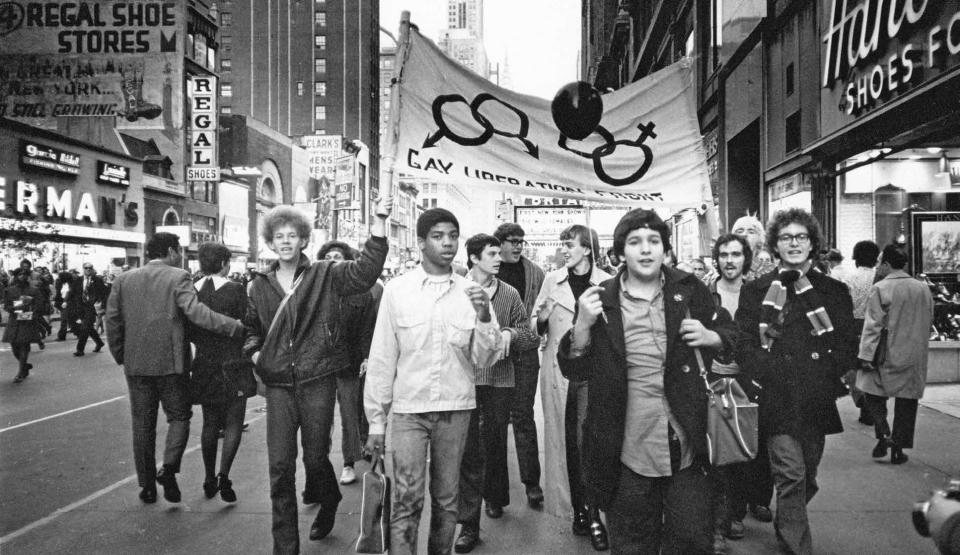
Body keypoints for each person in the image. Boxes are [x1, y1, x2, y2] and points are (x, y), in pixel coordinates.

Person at [557, 209, 738, 554]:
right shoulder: (600, 301)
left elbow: (731, 334)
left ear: (665, 249)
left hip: (687, 441)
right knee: (632, 544)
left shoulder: (689, 290)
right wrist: (581, 325)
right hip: (625, 447)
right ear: (620, 252)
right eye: (634, 242)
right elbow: (575, 372)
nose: (645, 249)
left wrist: (710, 336)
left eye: (654, 241)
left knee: (692, 541)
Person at [244, 197, 391, 554]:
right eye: (279, 235)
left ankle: (329, 498)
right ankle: (285, 547)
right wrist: (255, 352)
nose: (285, 241)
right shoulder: (259, 284)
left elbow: (365, 272)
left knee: (314, 458)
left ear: (303, 240)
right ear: (269, 241)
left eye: (292, 235)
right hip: (278, 384)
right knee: (280, 468)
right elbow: (251, 328)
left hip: (317, 378)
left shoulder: (324, 273)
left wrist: (379, 224)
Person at [365, 208, 504, 555]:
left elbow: (485, 359)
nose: (447, 243)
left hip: (456, 409)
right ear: (421, 242)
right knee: (406, 499)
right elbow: (383, 358)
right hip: (409, 410)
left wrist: (485, 317)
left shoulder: (473, 293)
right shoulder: (398, 290)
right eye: (438, 236)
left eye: (452, 236)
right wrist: (376, 424)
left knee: (447, 500)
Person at [735, 208, 858, 555]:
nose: (794, 243)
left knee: (808, 474)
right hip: (775, 396)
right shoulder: (757, 289)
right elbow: (744, 340)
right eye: (786, 237)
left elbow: (847, 340)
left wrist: (837, 374)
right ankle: (795, 545)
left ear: (812, 243)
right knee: (790, 474)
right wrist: (758, 371)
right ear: (775, 244)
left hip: (816, 396)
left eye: (801, 236)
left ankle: (788, 518)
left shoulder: (833, 290)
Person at [106, 232, 246, 505]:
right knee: (179, 417)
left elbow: (112, 320)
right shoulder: (178, 277)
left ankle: (147, 486)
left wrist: (121, 354)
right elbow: (197, 313)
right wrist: (233, 326)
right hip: (171, 363)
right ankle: (169, 467)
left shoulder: (123, 280)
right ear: (170, 251)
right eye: (178, 251)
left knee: (142, 425)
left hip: (136, 365)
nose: (180, 256)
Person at [455, 234, 538, 553]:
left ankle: (495, 496)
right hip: (465, 378)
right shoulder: (457, 290)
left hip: (501, 379)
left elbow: (529, 334)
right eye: (491, 253)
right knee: (468, 448)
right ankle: (468, 523)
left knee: (494, 440)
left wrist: (509, 333)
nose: (498, 258)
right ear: (474, 258)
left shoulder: (509, 293)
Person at [531, 224, 611, 550]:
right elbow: (535, 329)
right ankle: (581, 511)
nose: (564, 249)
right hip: (562, 375)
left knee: (591, 445)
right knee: (570, 448)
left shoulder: (607, 283)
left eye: (570, 243)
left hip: (596, 376)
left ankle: (595, 514)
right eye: (562, 243)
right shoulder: (552, 281)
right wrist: (541, 318)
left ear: (588, 249)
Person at [707, 234, 773, 551]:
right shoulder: (705, 294)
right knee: (720, 454)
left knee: (749, 450)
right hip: (714, 383)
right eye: (723, 254)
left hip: (750, 383)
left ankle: (744, 505)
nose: (729, 260)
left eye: (735, 254)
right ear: (716, 258)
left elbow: (770, 336)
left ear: (745, 258)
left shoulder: (760, 292)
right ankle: (725, 517)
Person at [856, 245, 935, 465]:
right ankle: (899, 448)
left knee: (871, 391)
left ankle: (884, 433)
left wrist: (865, 355)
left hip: (886, 352)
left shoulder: (881, 288)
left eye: (881, 262)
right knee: (908, 400)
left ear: (888, 264)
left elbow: (872, 325)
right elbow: (929, 320)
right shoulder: (922, 288)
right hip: (914, 353)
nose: (878, 266)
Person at [189, 242, 254, 503]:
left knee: (209, 423)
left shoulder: (193, 290)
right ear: (225, 264)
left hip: (204, 363)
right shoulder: (237, 290)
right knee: (234, 422)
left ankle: (207, 476)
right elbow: (248, 324)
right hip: (233, 363)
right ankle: (224, 475)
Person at [315, 240, 382, 487]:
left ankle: (348, 463)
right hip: (319, 364)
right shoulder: (315, 291)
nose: (334, 259)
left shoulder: (362, 293)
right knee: (320, 420)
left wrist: (366, 356)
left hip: (349, 362)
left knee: (349, 415)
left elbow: (367, 328)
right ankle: (318, 468)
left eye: (339, 256)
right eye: (329, 255)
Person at [492, 222, 547, 510]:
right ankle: (494, 495)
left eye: (520, 241)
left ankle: (532, 484)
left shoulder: (535, 272)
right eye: (511, 241)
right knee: (494, 423)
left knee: (523, 416)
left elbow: (541, 311)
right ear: (498, 243)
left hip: (525, 352)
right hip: (495, 356)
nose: (517, 246)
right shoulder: (489, 269)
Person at [839, 240, 880, 425]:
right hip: (876, 326)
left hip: (853, 325)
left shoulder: (848, 278)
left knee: (853, 367)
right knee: (872, 366)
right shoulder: (880, 278)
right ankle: (872, 403)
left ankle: (862, 400)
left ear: (856, 257)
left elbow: (843, 304)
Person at [4, 268, 43, 383]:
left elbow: (39, 305)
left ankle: (21, 372)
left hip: (27, 321)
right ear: (16, 276)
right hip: (14, 320)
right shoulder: (10, 290)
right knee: (14, 346)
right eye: (20, 274)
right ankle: (24, 366)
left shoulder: (34, 290)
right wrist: (17, 307)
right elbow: (7, 306)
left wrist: (32, 313)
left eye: (25, 274)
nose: (23, 276)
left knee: (24, 346)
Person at [73, 262, 107, 357]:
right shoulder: (78, 280)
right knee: (89, 328)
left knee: (84, 328)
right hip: (80, 307)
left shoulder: (97, 280)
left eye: (90, 268)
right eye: (86, 268)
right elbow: (73, 292)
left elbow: (104, 293)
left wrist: (101, 304)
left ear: (92, 269)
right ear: (83, 269)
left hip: (91, 307)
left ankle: (80, 349)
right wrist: (66, 302)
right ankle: (99, 343)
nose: (88, 269)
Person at [732, 215, 776, 280]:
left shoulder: (768, 268)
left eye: (751, 232)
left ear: (760, 239)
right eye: (740, 231)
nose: (744, 234)